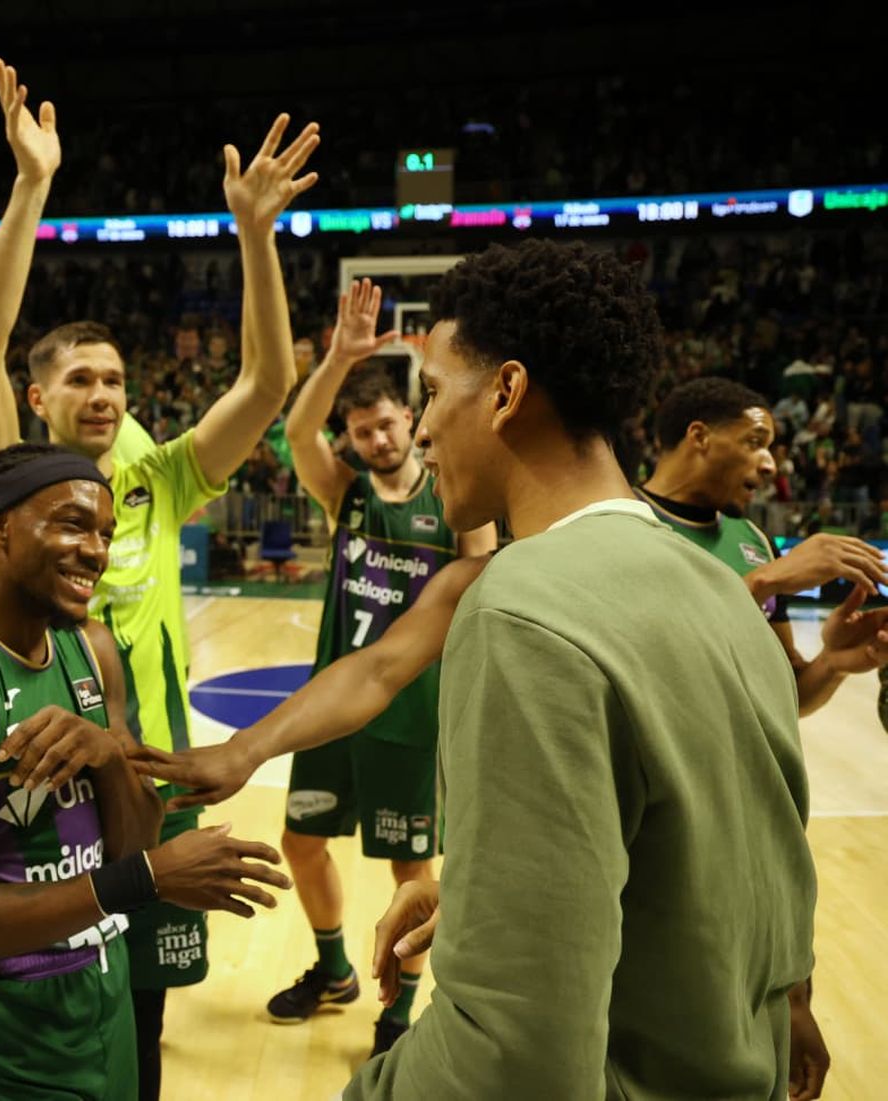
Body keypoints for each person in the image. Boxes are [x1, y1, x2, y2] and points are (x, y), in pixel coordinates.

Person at [308, 239, 817, 1099]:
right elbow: (740, 877)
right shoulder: (724, 589)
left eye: (433, 393)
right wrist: (484, 897)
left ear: (506, 393)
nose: (423, 429)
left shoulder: (519, 610)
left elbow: (513, 1056)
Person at [0, 59, 317, 1097]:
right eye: (81, 378)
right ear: (39, 398)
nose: (104, 393)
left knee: (140, 1016)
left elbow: (268, 383)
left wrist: (255, 235)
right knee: (13, 1000)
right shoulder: (7, 475)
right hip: (25, 792)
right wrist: (31, 185)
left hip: (148, 777)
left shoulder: (162, 477)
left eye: (115, 379)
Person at [0, 442, 291, 1100]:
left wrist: (110, 756)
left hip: (105, 981)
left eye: (105, 533)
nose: (96, 551)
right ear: (0, 525)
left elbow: (136, 838)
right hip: (4, 1018)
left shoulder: (92, 646)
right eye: (73, 525)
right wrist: (145, 879)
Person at [267, 281, 496, 1049]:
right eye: (361, 432)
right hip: (336, 705)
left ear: (409, 416)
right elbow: (297, 430)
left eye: (386, 424)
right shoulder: (347, 495)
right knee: (301, 843)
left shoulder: (453, 500)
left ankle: (399, 1012)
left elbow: (480, 588)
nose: (376, 439)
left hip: (411, 715)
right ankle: (334, 969)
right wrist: (338, 357)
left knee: (410, 871)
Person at [639, 377, 888, 715]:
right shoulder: (615, 522)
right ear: (699, 436)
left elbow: (788, 697)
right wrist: (759, 584)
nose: (770, 465)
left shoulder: (756, 541)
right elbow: (645, 665)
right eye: (754, 442)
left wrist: (833, 663)